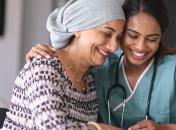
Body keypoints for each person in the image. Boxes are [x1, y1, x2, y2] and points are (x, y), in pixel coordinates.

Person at [25, 0, 176, 130]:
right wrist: (48, 54)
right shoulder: (102, 64)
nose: (141, 47)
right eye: (131, 35)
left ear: (161, 39)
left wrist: (164, 129)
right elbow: (69, 64)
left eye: (152, 39)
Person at [2, 0, 126, 129]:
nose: (114, 47)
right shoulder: (44, 67)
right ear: (78, 28)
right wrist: (100, 128)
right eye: (107, 33)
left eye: (118, 38)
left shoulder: (89, 82)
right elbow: (52, 127)